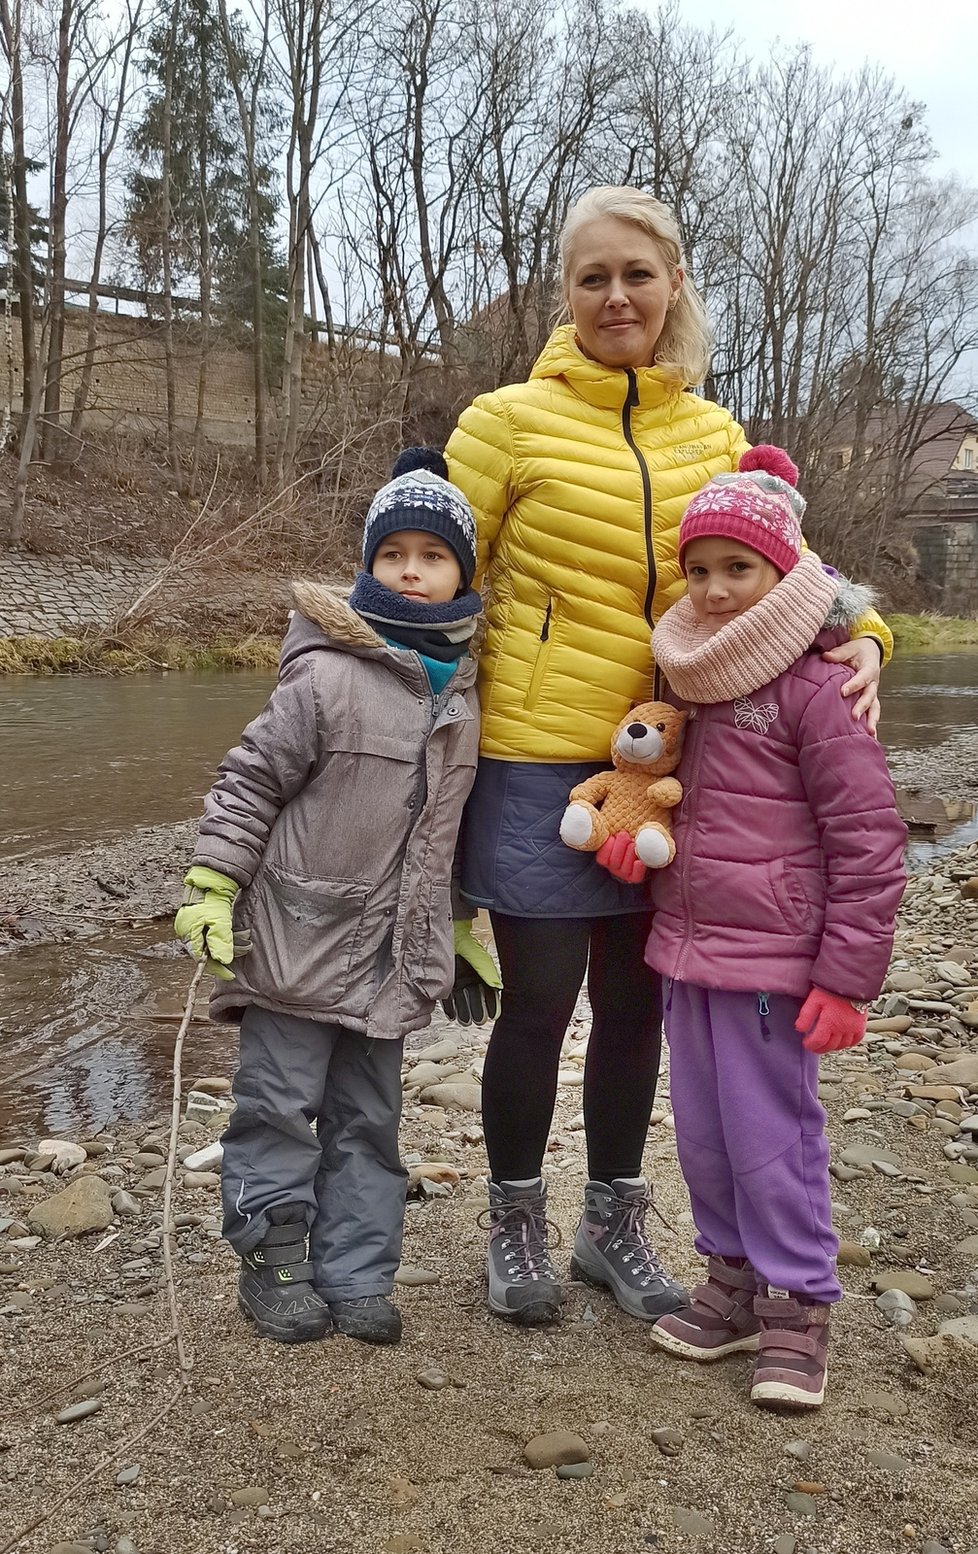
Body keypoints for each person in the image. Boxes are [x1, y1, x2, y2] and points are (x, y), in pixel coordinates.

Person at [444, 184, 893, 1328]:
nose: (615, 297)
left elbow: (791, 565)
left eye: (636, 275)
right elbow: (433, 574)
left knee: (639, 1006)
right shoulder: (506, 423)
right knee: (538, 1003)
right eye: (591, 278)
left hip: (686, 763)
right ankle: (512, 1221)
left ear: (675, 283)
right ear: (566, 294)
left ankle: (612, 1222)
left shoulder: (716, 435)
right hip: (543, 759)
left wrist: (871, 635)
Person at [173, 448, 485, 1347]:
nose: (412, 570)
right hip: (295, 941)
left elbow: (443, 832)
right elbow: (248, 783)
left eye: (433, 554)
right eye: (395, 555)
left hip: (391, 956)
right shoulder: (325, 673)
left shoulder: (463, 688)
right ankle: (273, 1260)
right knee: (276, 1105)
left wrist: (461, 929)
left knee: (371, 1121)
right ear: (369, 566)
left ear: (462, 572)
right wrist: (212, 881)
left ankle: (357, 1274)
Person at [644, 446, 906, 1408]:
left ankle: (799, 1303)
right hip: (688, 949)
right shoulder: (686, 676)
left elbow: (871, 840)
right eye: (700, 571)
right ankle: (733, 1280)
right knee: (705, 1137)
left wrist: (846, 979)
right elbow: (661, 792)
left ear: (787, 572)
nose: (714, 592)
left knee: (771, 1136)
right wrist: (638, 841)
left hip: (776, 962)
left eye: (738, 570)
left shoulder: (819, 685)